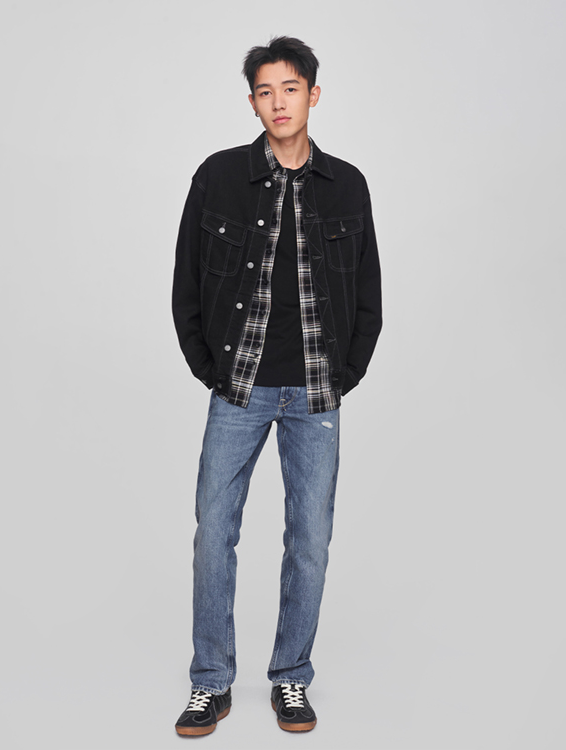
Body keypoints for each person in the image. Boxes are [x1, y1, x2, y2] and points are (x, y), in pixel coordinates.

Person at [171, 36, 382, 736]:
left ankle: (291, 676)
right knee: (213, 535)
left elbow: (369, 293)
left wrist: (347, 373)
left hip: (316, 393)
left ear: (313, 95)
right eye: (265, 91)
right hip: (239, 387)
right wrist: (209, 368)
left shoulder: (347, 185)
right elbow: (185, 280)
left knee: (310, 541)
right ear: (253, 102)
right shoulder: (218, 176)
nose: (278, 102)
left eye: (290, 88)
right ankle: (211, 682)